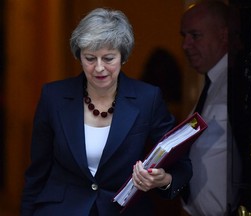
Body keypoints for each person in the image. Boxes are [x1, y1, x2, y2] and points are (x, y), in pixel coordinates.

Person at [20, 8, 192, 216]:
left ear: (123, 56)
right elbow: (37, 173)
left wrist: (164, 179)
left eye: (109, 58)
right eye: (90, 58)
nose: (99, 68)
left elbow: (181, 164)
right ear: (79, 56)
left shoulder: (148, 98)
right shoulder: (53, 97)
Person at [180, 1, 241, 215]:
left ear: (223, 35)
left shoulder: (235, 85)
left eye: (195, 35)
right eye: (184, 36)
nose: (186, 45)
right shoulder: (213, 85)